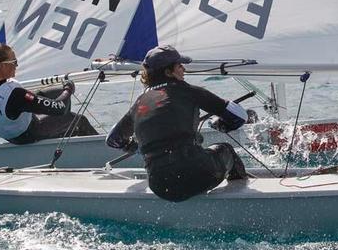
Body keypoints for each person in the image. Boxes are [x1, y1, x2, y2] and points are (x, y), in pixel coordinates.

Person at [106, 45, 249, 202]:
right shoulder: (189, 91)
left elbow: (113, 139)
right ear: (169, 72)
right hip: (200, 175)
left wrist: (135, 148)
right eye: (180, 65)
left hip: (160, 186)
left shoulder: (140, 103)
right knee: (226, 149)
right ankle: (244, 199)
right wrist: (220, 124)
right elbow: (239, 116)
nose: (184, 69)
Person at [0, 43, 97, 143]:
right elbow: (60, 108)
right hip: (27, 135)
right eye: (14, 62)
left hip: (4, 132)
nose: (17, 66)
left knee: (49, 93)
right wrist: (68, 89)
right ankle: (107, 152)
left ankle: (60, 135)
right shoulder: (15, 94)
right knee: (78, 120)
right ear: (3, 66)